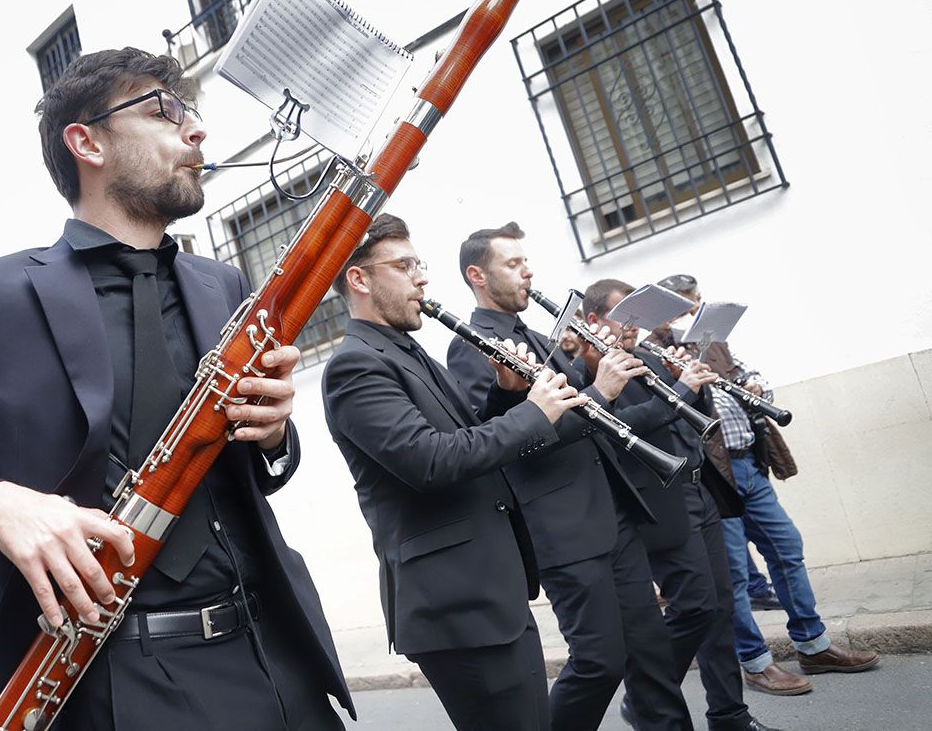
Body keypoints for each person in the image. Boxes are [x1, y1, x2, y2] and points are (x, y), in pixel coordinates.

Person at [0, 47, 350, 731]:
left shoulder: (226, 287)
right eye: (160, 111)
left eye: (190, 111)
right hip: (106, 687)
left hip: (274, 667)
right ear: (85, 142)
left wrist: (272, 435)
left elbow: (247, 478)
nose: (195, 130)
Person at [322, 214, 587, 731]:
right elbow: (431, 461)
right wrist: (533, 413)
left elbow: (469, 444)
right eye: (405, 266)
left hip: (490, 592)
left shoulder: (406, 351)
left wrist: (507, 392)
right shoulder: (354, 365)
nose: (422, 277)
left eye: (418, 264)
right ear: (359, 279)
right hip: (455, 606)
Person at [445, 223, 691, 731]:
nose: (527, 271)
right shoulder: (473, 347)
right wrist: (600, 390)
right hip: (563, 528)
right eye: (512, 264)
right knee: (599, 663)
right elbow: (506, 443)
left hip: (610, 511)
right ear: (477, 276)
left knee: (653, 653)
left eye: (525, 261)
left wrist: (593, 358)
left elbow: (584, 409)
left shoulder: (539, 334)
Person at [652, 274, 880, 695]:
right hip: (713, 474)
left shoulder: (712, 342)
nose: (695, 309)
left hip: (748, 464)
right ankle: (756, 662)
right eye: (687, 304)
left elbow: (746, 371)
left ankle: (813, 645)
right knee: (735, 574)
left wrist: (754, 384)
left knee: (786, 547)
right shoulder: (657, 350)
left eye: (697, 301)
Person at [580, 279, 779, 731]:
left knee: (723, 606)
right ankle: (649, 694)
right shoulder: (594, 372)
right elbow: (621, 429)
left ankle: (730, 714)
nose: (635, 329)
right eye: (624, 318)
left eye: (639, 319)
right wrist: (682, 391)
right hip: (659, 498)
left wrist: (694, 380)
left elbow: (692, 419)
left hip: (698, 486)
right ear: (594, 320)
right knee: (694, 606)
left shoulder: (648, 358)